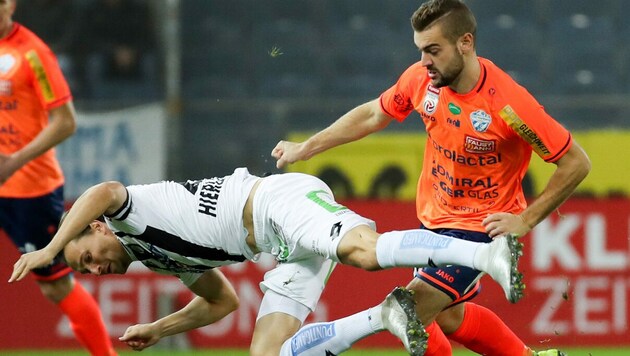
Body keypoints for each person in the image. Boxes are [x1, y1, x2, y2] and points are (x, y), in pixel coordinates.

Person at [270, 1, 591, 355]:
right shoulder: (421, 80)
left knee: (408, 311)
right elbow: (374, 114)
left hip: (480, 230)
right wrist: (308, 148)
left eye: (433, 50)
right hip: (433, 223)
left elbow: (576, 163)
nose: (424, 61)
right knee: (447, 317)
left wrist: (526, 220)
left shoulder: (509, 105)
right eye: (421, 50)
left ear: (465, 43)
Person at [10, 167, 523, 356]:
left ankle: (486, 252)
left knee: (363, 253)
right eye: (90, 273)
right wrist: (161, 328)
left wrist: (51, 250)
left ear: (94, 228)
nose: (96, 270)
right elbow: (221, 301)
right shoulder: (156, 255)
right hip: (279, 247)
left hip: (278, 202)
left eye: (86, 258)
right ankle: (381, 317)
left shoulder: (124, 215)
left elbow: (103, 190)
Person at [0, 1, 116, 355]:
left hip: (28, 189)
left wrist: (14, 161)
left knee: (54, 286)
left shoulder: (33, 53)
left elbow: (66, 121)